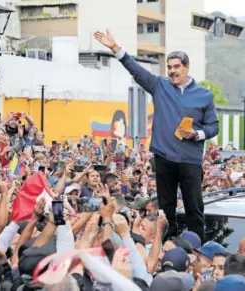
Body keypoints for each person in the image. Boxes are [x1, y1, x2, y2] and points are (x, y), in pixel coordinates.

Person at [94, 29, 219, 242]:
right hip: (164, 158)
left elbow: (213, 127)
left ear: (186, 68)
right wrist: (115, 47)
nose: (172, 71)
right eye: (169, 67)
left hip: (190, 160)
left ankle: (198, 250)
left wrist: (197, 134)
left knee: (194, 209)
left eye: (176, 67)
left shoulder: (204, 95)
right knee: (166, 210)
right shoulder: (160, 85)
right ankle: (167, 246)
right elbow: (137, 70)